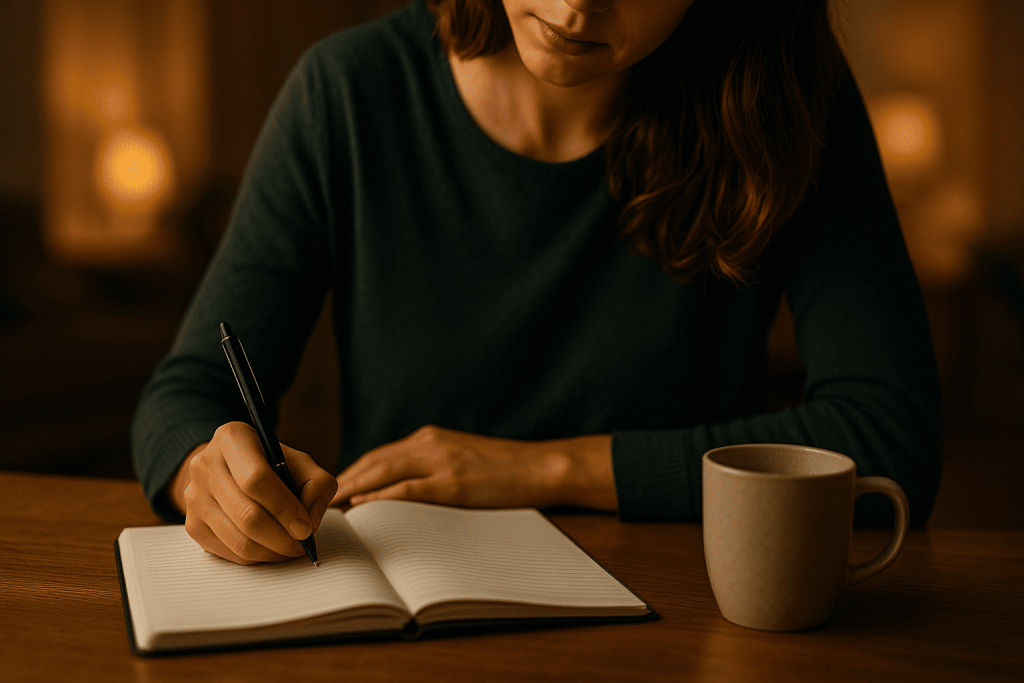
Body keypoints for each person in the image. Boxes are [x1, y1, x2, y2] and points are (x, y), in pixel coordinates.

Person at [131, 0, 943, 565]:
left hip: (687, 616)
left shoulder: (784, 96)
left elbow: (888, 439)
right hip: (410, 623)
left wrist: (541, 469)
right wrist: (204, 469)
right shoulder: (348, 93)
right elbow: (191, 389)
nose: (576, 6)